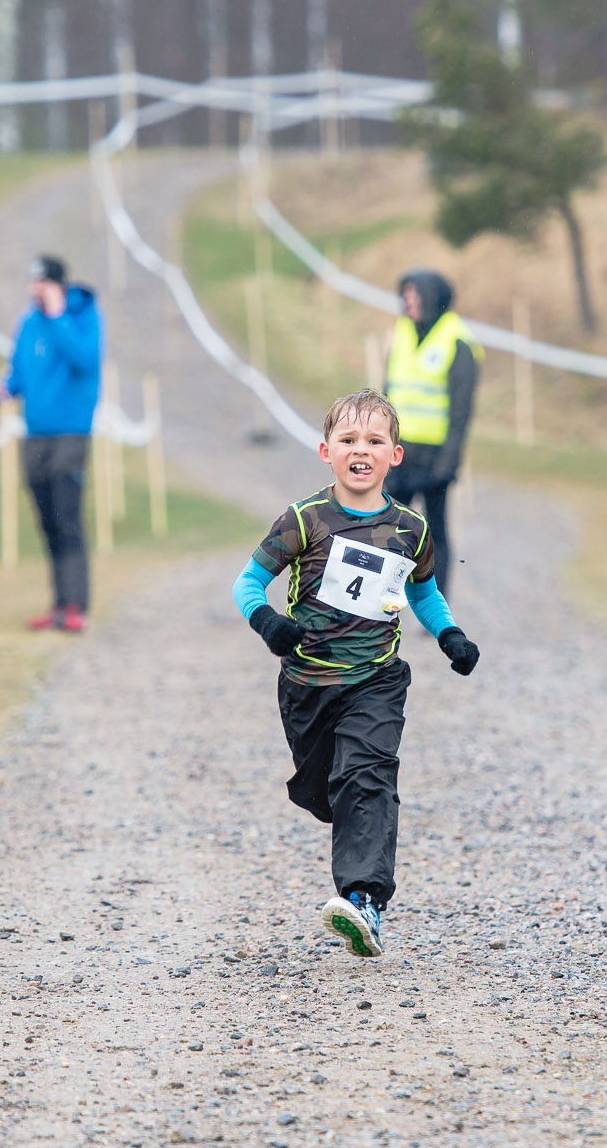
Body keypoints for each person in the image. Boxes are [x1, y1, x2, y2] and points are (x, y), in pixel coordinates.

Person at [232, 390, 481, 958]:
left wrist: (449, 635)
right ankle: (346, 824)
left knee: (367, 778)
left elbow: (423, 591)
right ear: (326, 451)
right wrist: (268, 623)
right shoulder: (304, 520)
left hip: (375, 680)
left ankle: (363, 900)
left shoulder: (411, 529)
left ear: (396, 455)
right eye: (348, 441)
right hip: (307, 685)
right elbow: (246, 583)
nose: (360, 451)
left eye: (374, 441)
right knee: (329, 790)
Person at [0, 256, 103, 633]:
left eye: (41, 284)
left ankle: (77, 606)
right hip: (34, 433)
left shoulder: (82, 316)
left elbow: (85, 360)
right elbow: (20, 368)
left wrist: (58, 316)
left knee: (68, 519)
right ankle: (58, 603)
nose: (34, 290)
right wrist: (7, 387)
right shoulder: (28, 321)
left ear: (56, 284)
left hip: (70, 433)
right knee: (47, 520)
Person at [382, 270, 481, 597]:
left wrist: (448, 463)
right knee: (386, 529)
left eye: (414, 293)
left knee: (435, 532)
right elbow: (389, 389)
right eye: (404, 292)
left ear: (432, 297)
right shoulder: (401, 331)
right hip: (399, 453)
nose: (407, 300)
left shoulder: (457, 340)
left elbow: (461, 411)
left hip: (435, 457)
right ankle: (379, 605)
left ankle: (436, 606)